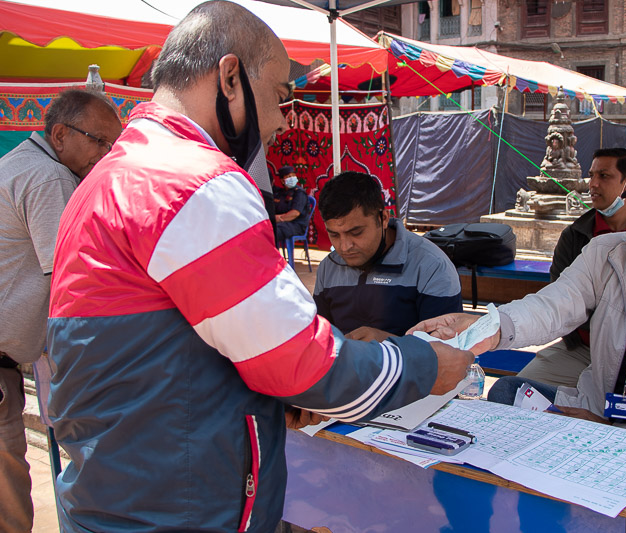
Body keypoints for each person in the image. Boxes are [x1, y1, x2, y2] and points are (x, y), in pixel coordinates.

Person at [46, 3, 473, 531]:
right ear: (230, 78)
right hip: (180, 510)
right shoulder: (194, 184)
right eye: (277, 96)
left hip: (117, 493)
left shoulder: (109, 178)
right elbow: (303, 364)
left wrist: (262, 399)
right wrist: (427, 364)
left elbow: (161, 354)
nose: (280, 121)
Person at [409, 158, 626, 522]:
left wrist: (616, 433)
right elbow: (553, 306)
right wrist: (486, 325)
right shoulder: (606, 254)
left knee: (597, 507)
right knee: (507, 394)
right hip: (594, 418)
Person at [0, 88, 121, 533]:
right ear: (61, 134)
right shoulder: (50, 177)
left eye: (114, 144)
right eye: (99, 141)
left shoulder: (23, 165)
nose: (106, 154)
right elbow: (75, 286)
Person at [518, 148, 626, 387]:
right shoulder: (575, 236)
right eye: (591, 175)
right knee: (521, 389)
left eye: (604, 176)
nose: (592, 184)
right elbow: (560, 299)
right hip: (583, 350)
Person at [313, 171, 463, 342]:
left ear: (383, 218)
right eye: (334, 235)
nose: (345, 246)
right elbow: (321, 337)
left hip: (413, 369)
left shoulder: (432, 266)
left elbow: (447, 351)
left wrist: (386, 343)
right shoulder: (328, 267)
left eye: (356, 232)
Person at [273, 165, 309, 244]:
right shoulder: (280, 193)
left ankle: (273, 255)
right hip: (284, 223)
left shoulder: (299, 193)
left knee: (274, 231)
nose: (292, 178)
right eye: (289, 176)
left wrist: (279, 218)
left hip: (296, 224)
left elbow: (295, 213)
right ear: (282, 181)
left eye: (293, 176)